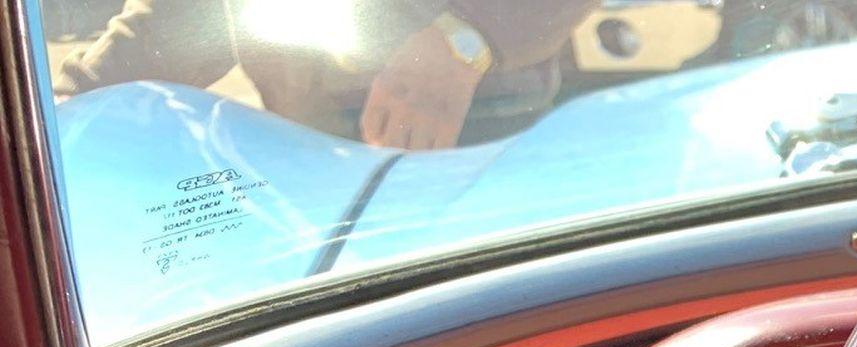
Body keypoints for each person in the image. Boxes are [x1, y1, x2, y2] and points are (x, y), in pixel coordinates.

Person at [53, 0, 597, 149]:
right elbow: (174, 21)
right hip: (321, 179)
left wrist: (470, 38)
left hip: (493, 161)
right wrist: (66, 108)